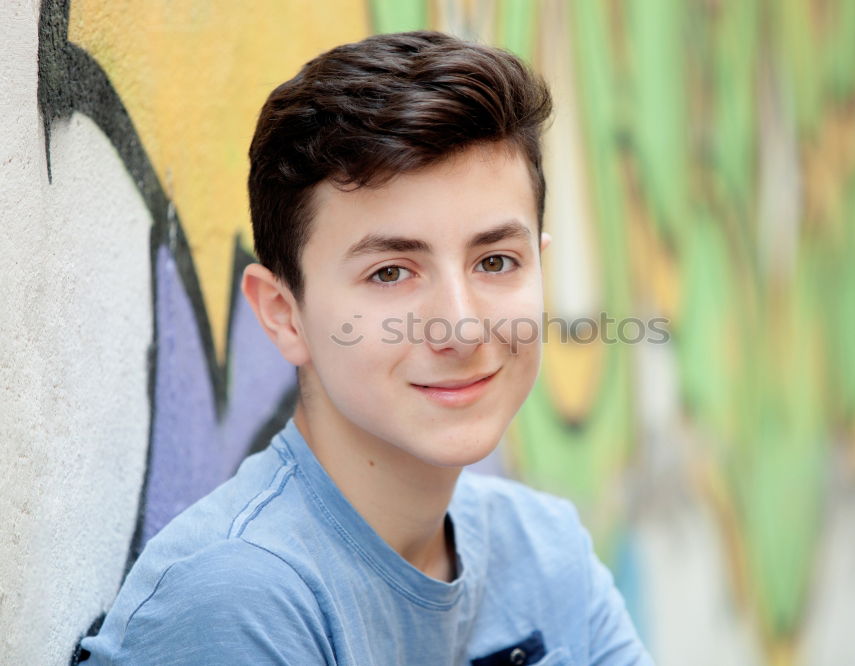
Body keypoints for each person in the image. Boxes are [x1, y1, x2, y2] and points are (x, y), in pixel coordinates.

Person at [80, 30, 651, 665]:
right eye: (390, 273)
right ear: (283, 314)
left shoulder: (546, 555)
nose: (461, 329)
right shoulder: (238, 601)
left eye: (495, 261)